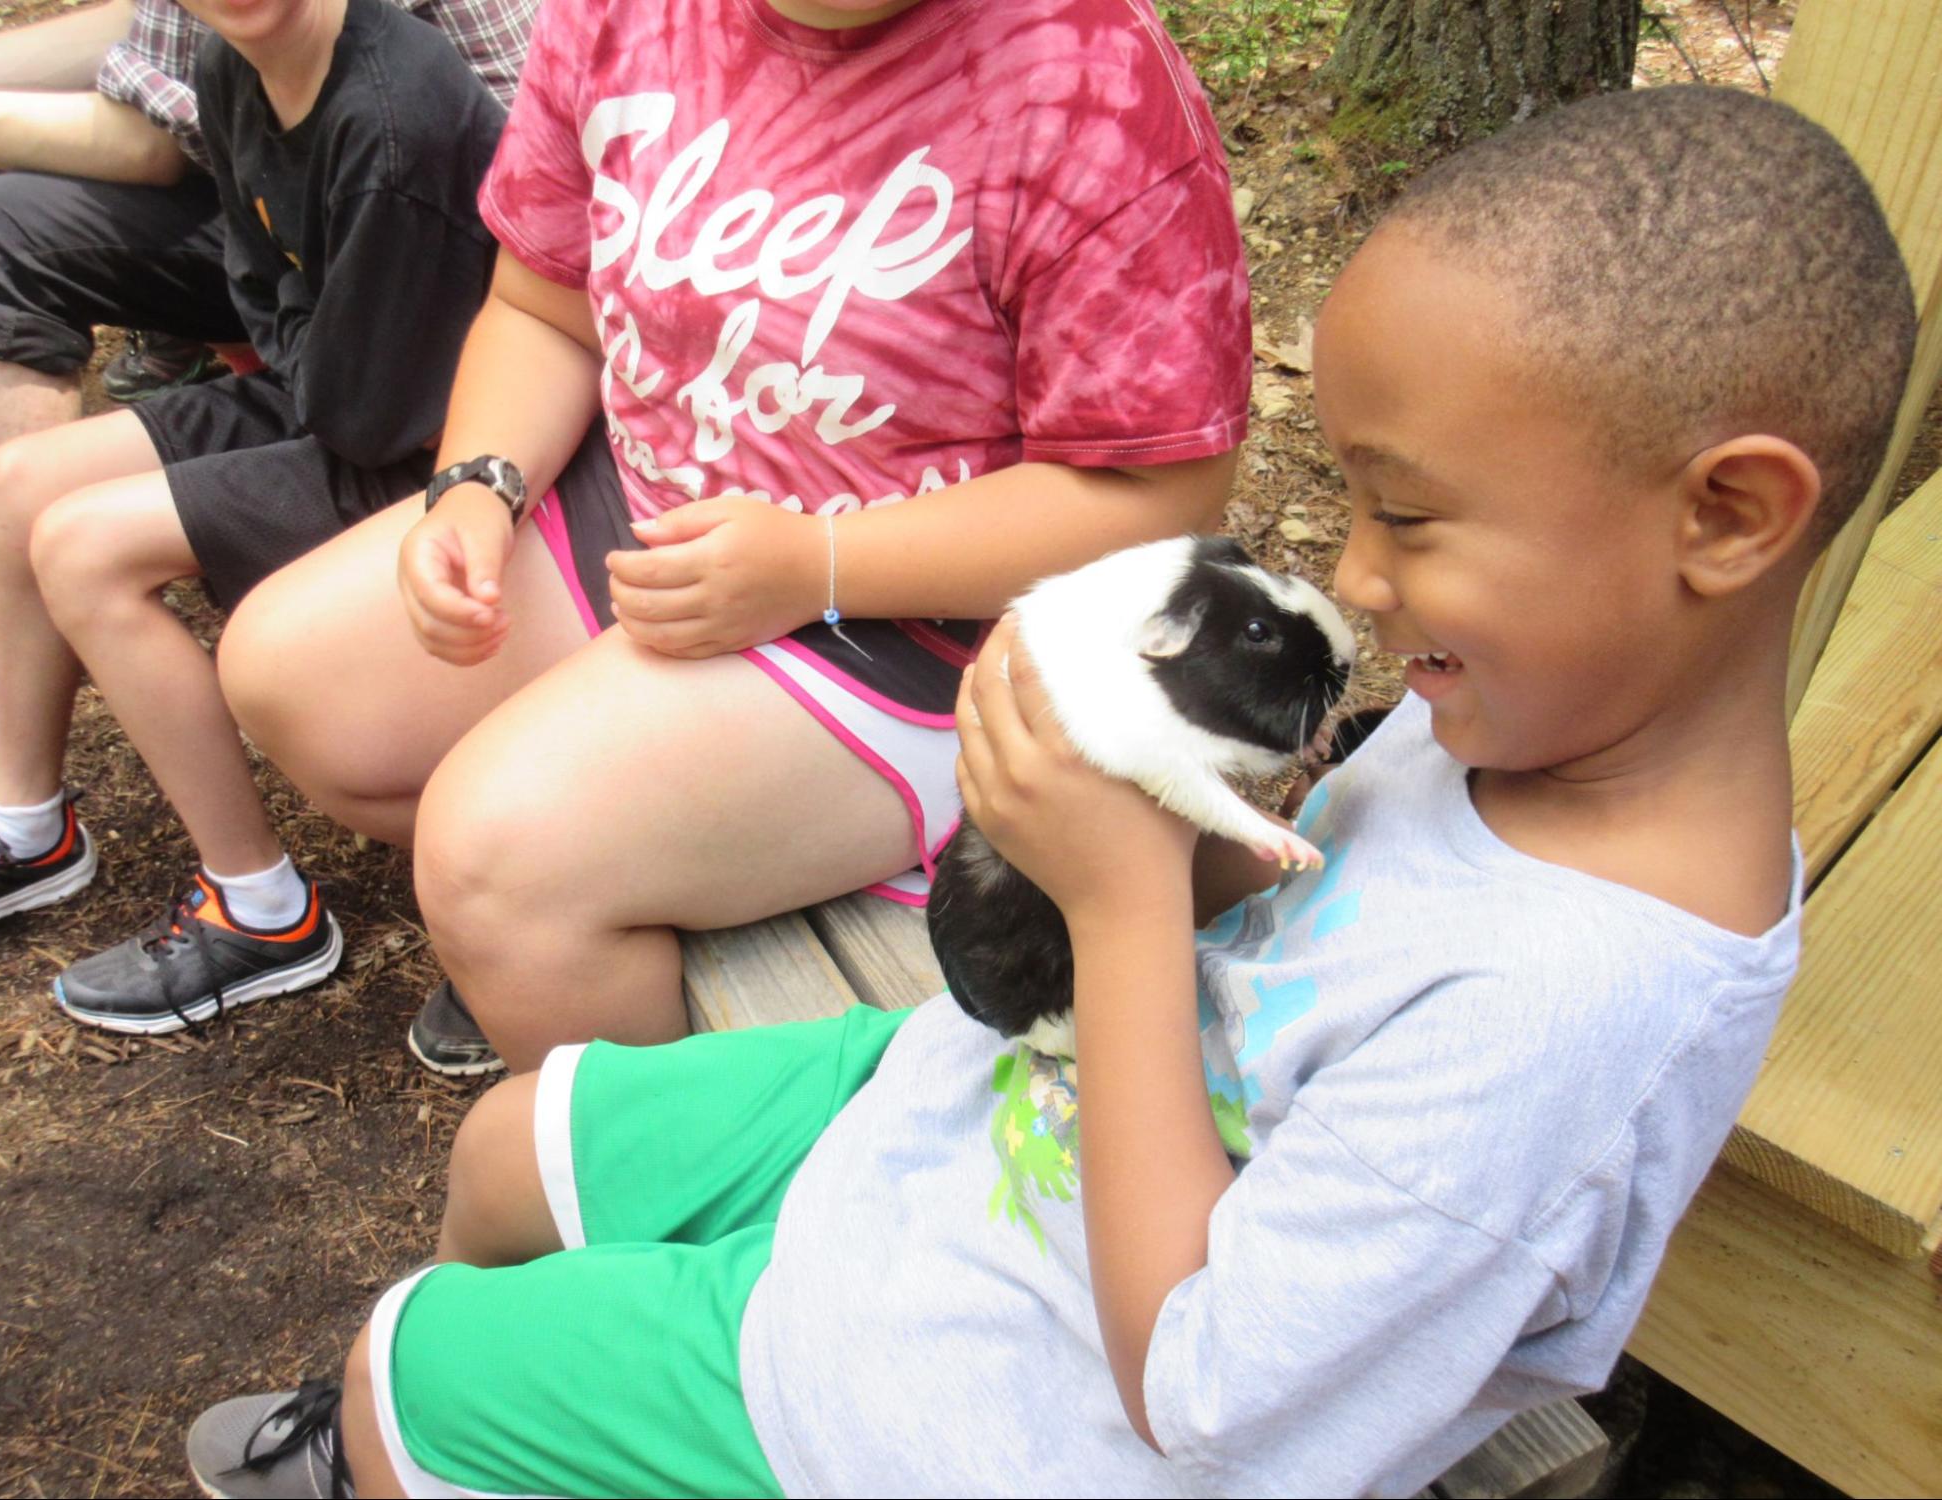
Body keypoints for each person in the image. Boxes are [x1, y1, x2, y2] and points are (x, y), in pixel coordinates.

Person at [179, 84, 1916, 1498]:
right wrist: (1137, 800)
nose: (1360, 577)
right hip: (983, 1130)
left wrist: (1115, 895)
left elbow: (1205, 1387)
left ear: (1725, 518)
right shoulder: (1527, 729)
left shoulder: (1566, 1022)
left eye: (1411, 515)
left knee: (403, 1376)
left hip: (988, 1408)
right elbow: (1298, 917)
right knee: (510, 1147)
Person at [215, 0, 1254, 1076]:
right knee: (284, 672)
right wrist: (478, 485)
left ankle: (693, 1196)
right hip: (657, 511)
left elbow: (1157, 491)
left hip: (935, 622)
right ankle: (602, 926)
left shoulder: (1087, 74)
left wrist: (822, 568)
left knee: (493, 863)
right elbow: (542, 304)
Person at [0, 0, 505, 1028]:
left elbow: (375, 412)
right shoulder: (230, 60)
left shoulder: (397, 118)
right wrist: (286, 345)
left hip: (422, 435)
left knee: (83, 550)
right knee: (19, 483)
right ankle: (24, 829)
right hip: (327, 385)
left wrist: (281, 367)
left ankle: (260, 909)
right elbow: (259, 285)